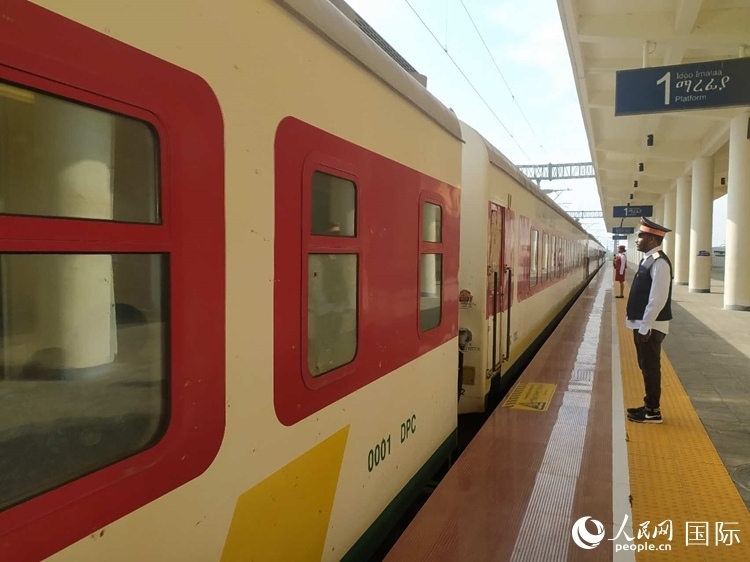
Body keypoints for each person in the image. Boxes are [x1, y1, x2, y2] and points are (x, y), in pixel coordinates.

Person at [626, 217, 673, 424]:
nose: (637, 240)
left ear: (652, 239)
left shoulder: (660, 262)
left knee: (651, 367)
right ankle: (648, 406)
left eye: (641, 236)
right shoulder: (649, 259)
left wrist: (645, 327)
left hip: (651, 326)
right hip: (644, 324)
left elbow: (657, 298)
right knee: (645, 365)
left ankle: (653, 411)